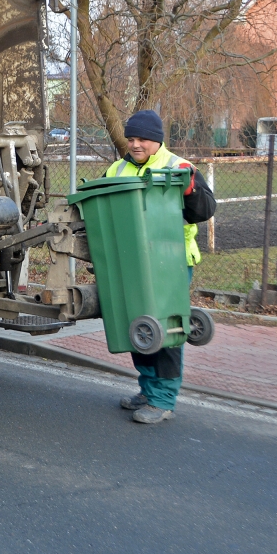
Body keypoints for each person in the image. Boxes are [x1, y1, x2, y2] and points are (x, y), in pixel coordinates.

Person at [106, 110, 215, 424]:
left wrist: (190, 187)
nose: (136, 144)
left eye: (143, 139)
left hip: (171, 262)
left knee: (166, 330)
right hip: (130, 262)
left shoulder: (178, 167)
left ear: (157, 140)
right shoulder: (118, 168)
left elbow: (205, 211)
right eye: (131, 139)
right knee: (138, 327)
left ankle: (163, 399)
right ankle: (148, 388)